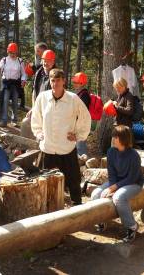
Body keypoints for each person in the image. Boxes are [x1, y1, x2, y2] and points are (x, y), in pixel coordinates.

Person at [31, 68, 91, 205]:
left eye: (58, 80)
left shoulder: (73, 99)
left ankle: (77, 208)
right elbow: (36, 117)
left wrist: (78, 135)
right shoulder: (43, 98)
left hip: (66, 148)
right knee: (41, 181)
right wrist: (39, 133)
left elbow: (85, 117)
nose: (55, 84)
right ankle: (42, 207)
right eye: (52, 80)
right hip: (48, 148)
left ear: (64, 81)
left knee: (74, 182)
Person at [91, 125, 144, 243]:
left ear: (124, 139)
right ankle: (101, 220)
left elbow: (132, 177)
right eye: (113, 136)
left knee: (119, 197)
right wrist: (112, 187)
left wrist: (113, 188)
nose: (113, 139)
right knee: (95, 194)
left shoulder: (133, 155)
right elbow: (112, 174)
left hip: (134, 183)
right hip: (117, 182)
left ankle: (132, 227)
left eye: (116, 137)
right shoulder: (111, 152)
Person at [0, 42, 27, 127]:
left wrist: (23, 81)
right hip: (6, 84)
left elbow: (24, 74)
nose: (12, 54)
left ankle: (14, 120)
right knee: (5, 101)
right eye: (11, 52)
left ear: (17, 52)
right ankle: (4, 120)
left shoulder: (20, 61)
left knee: (15, 102)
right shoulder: (4, 60)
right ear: (8, 52)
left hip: (16, 84)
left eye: (14, 52)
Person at [71, 72, 91, 157]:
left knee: (80, 146)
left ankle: (84, 164)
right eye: (74, 82)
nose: (74, 84)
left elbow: (82, 111)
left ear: (82, 83)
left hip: (81, 124)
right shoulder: (78, 94)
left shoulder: (84, 95)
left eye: (76, 82)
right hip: (76, 123)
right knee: (75, 145)